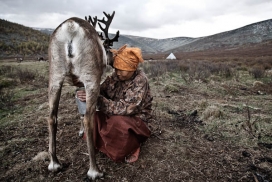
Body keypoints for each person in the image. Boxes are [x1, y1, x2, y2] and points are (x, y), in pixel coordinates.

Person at [75, 44, 153, 163]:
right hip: (115, 113)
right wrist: (89, 92)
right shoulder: (116, 76)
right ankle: (105, 144)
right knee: (95, 118)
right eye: (116, 69)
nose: (117, 73)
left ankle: (133, 146)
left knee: (117, 124)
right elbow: (102, 88)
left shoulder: (140, 80)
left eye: (121, 70)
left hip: (136, 119)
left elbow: (128, 109)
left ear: (132, 68)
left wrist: (97, 99)